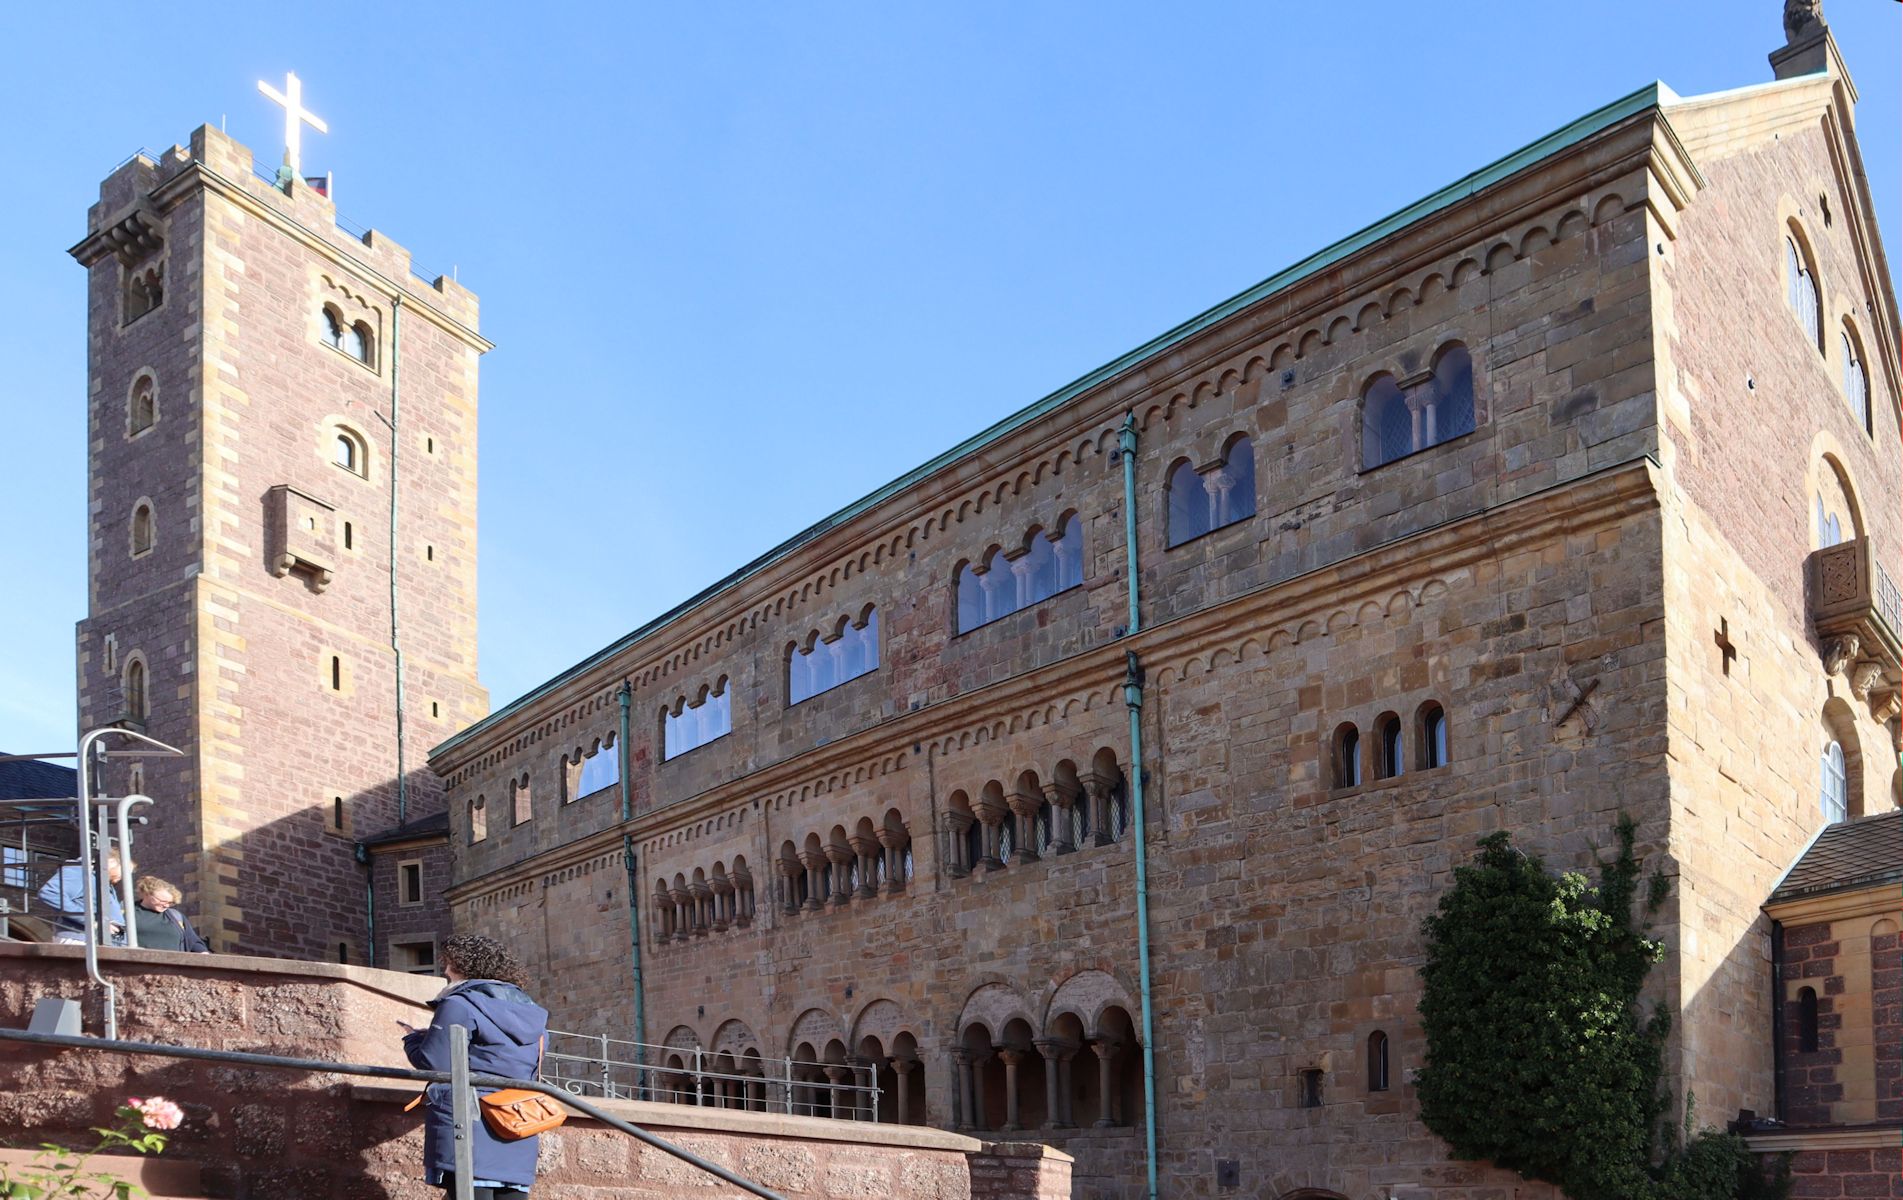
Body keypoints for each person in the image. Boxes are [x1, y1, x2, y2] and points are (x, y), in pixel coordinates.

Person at [401, 934, 549, 1200]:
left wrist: (412, 1038)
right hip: (517, 1123)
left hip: (469, 1123)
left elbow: (434, 1062)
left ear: (463, 966)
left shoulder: (459, 1004)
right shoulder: (531, 1012)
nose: (445, 970)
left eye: (448, 963)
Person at [37, 848, 134, 945]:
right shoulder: (80, 871)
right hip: (82, 939)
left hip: (97, 940)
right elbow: (50, 893)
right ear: (112, 863)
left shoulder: (98, 879)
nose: (122, 878)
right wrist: (93, 921)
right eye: (123, 872)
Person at [131, 876, 210, 953]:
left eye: (170, 903)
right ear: (146, 894)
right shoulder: (128, 913)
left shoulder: (176, 916)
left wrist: (203, 952)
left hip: (174, 964)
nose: (166, 906)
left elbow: (192, 940)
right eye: (162, 901)